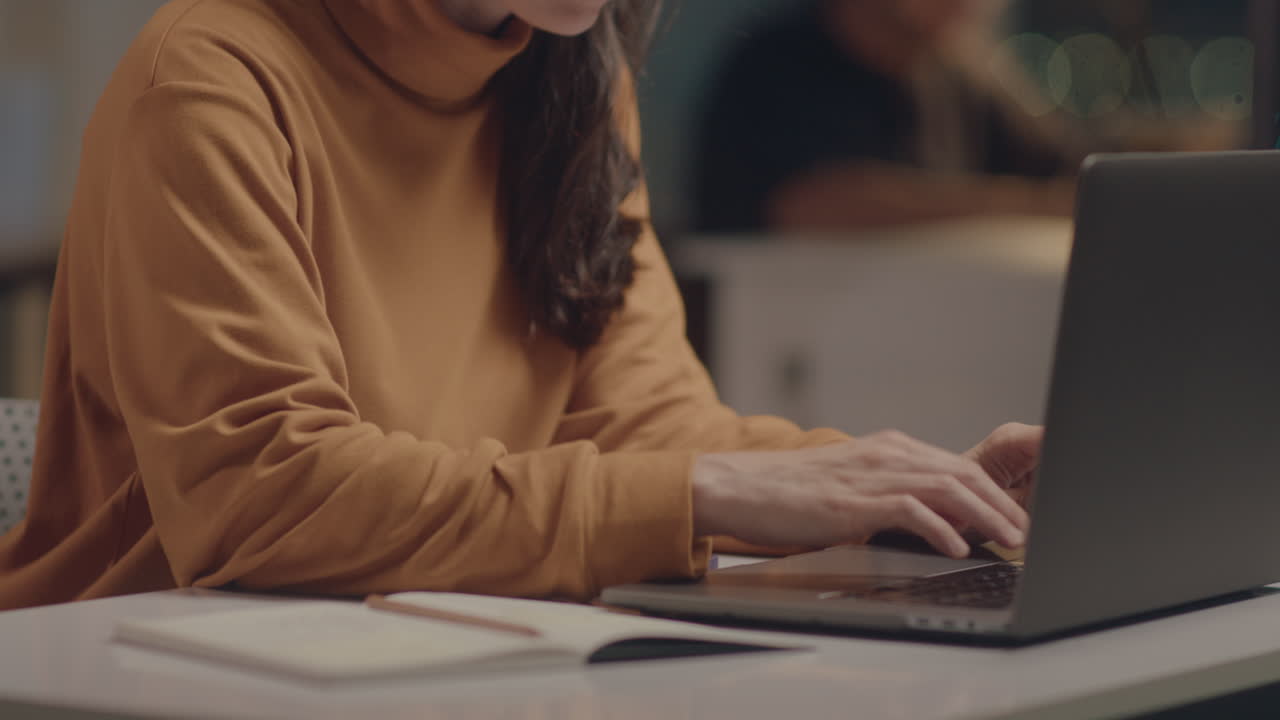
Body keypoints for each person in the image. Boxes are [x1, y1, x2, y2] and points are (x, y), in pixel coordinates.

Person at [0, 0, 1039, 610]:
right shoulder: (208, 78)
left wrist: (923, 496)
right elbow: (265, 503)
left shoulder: (572, 82)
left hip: (437, 649)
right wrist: (696, 493)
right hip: (148, 667)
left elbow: (656, 430)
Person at [694, 0, 1084, 233]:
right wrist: (1030, 206)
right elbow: (813, 204)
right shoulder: (775, 63)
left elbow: (1068, 164)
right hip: (783, 339)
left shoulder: (959, 78)